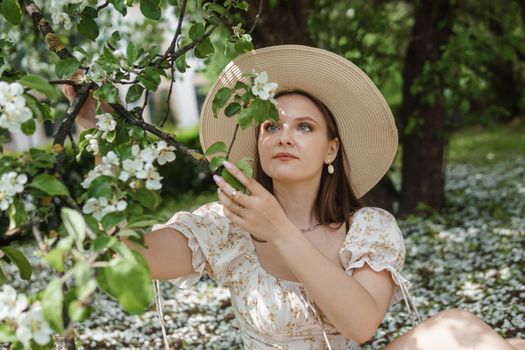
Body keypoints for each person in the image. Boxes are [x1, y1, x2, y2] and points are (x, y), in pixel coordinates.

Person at [65, 45, 525, 350]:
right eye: (271, 126)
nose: (284, 135)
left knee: (461, 330)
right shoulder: (227, 225)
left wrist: (280, 231)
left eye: (304, 126)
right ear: (259, 147)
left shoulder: (369, 228)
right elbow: (126, 256)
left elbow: (362, 326)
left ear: (331, 149)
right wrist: (97, 135)